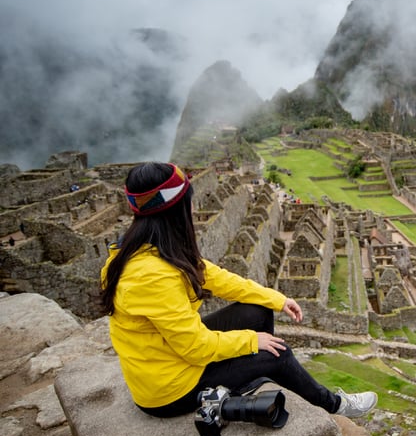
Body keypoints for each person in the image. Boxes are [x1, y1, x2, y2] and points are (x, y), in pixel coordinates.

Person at [100, 162, 377, 420]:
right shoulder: (150, 276)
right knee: (276, 353)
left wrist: (277, 299)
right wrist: (252, 342)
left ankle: (251, 374)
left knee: (256, 311)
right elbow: (195, 347)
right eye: (188, 203)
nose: (194, 209)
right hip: (169, 390)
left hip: (171, 357)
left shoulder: (147, 249)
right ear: (174, 211)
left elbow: (218, 278)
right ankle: (335, 406)